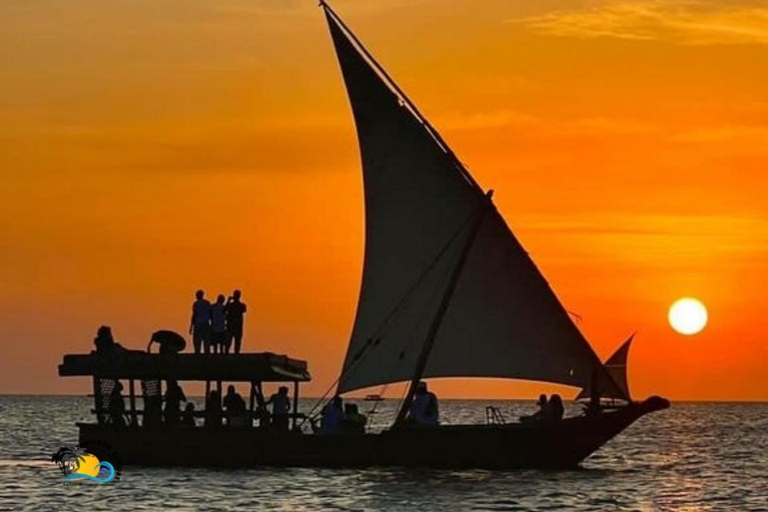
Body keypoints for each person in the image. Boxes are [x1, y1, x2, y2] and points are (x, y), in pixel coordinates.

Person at [224, 290, 247, 354]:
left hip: (233, 326)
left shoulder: (236, 305)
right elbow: (225, 310)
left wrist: (228, 301)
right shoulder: (241, 305)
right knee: (233, 342)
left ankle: (229, 354)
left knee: (232, 342)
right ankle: (234, 354)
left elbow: (225, 309)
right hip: (234, 326)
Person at [189, 290, 212, 354]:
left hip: (198, 324)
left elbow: (194, 315)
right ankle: (206, 355)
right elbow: (211, 314)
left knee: (197, 341)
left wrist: (191, 326)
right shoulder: (207, 303)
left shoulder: (196, 304)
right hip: (206, 323)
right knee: (206, 341)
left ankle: (197, 354)